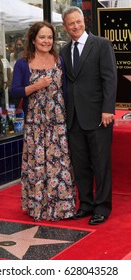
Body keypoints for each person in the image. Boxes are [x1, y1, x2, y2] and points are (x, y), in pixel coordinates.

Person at [11, 21, 76, 222]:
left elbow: (65, 91)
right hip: (35, 123)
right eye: (42, 37)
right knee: (37, 164)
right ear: (33, 39)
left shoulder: (59, 59)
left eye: (49, 37)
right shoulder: (23, 63)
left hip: (57, 120)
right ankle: (38, 206)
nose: (46, 41)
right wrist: (35, 86)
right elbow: (14, 91)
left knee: (60, 163)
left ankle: (61, 207)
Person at [60, 6, 117, 225]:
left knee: (100, 163)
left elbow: (110, 79)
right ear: (65, 27)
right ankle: (85, 204)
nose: (75, 26)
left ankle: (102, 207)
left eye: (78, 21)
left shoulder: (102, 44)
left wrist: (108, 109)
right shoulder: (64, 51)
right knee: (80, 164)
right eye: (71, 24)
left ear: (84, 21)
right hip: (73, 118)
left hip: (98, 116)